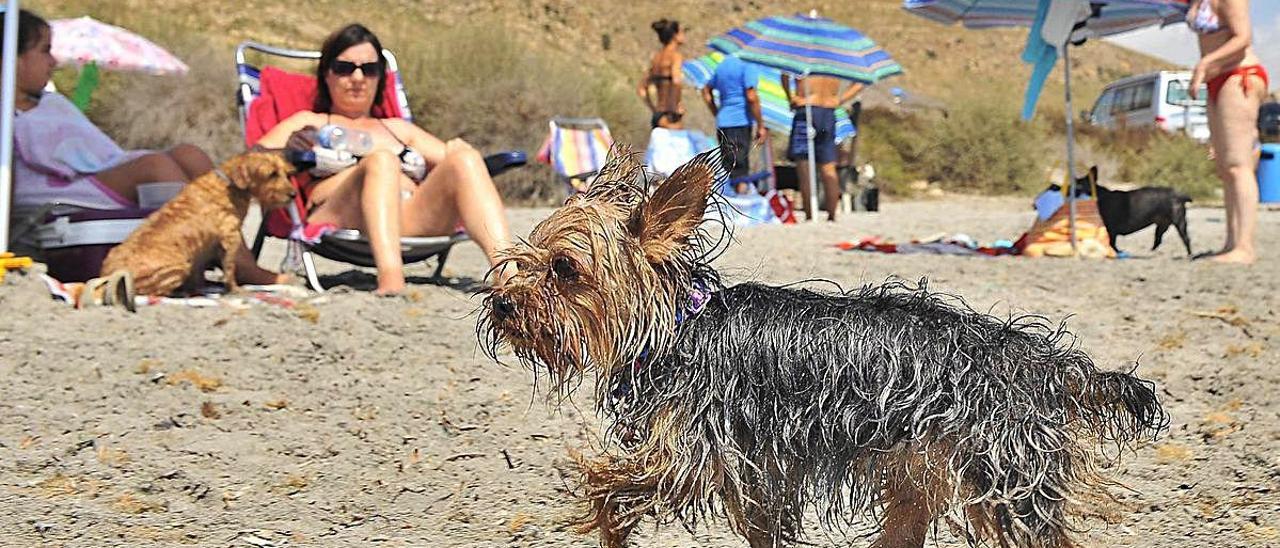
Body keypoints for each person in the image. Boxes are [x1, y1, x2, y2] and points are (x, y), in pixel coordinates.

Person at [6, 9, 285, 286]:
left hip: (83, 177)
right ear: (13, 60)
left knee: (191, 155)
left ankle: (234, 255)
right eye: (44, 51)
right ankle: (211, 256)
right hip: (50, 193)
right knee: (154, 167)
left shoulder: (50, 102)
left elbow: (93, 149)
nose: (53, 61)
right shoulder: (6, 116)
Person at [255, 23, 514, 294]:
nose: (357, 78)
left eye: (369, 69)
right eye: (345, 68)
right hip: (338, 214)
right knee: (382, 161)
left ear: (380, 77)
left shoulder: (399, 129)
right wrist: (287, 151)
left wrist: (461, 150)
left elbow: (459, 165)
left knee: (465, 159)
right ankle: (391, 278)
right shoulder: (309, 122)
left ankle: (508, 274)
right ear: (327, 75)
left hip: (409, 218)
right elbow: (252, 159)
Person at [1187, 0, 1267, 264]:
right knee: (1224, 167)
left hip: (1238, 74)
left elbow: (1242, 37)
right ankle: (1231, 242)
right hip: (1216, 78)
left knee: (1238, 164)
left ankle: (1244, 247)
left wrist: (1204, 64)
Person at [781, 74, 864, 221]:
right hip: (828, 110)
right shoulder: (832, 60)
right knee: (828, 165)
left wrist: (790, 97)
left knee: (804, 165)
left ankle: (809, 214)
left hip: (805, 108)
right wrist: (839, 99)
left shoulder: (803, 54)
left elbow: (785, 74)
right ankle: (832, 214)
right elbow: (860, 82)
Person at [701, 55, 767, 194]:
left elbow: (705, 90)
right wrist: (761, 124)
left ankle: (731, 199)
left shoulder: (722, 65)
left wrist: (717, 112)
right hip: (740, 122)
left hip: (723, 123)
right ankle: (740, 203)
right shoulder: (747, 64)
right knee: (740, 168)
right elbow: (751, 96)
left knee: (728, 167)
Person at [638, 19, 686, 130]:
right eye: (682, 32)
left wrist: (653, 109)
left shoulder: (656, 58)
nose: (684, 35)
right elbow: (676, 81)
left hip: (658, 114)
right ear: (675, 35)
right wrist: (675, 107)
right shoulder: (675, 56)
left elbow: (641, 89)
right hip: (670, 114)